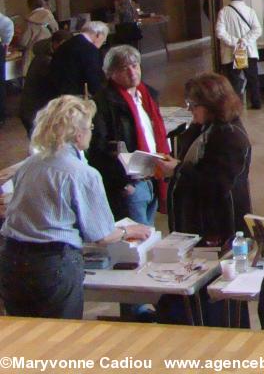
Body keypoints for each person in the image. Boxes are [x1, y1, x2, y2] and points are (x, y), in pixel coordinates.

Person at [0, 96, 154, 318]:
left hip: (12, 259)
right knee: (62, 339)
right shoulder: (83, 173)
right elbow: (100, 234)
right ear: (78, 134)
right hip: (52, 264)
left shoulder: (28, 165)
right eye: (90, 127)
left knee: (26, 336)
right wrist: (128, 231)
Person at [88, 45, 173, 223]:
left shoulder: (147, 94)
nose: (132, 72)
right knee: (137, 240)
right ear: (111, 73)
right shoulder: (103, 103)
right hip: (130, 183)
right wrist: (123, 184)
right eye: (123, 68)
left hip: (153, 177)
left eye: (135, 66)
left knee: (149, 234)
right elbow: (98, 149)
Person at [168, 73, 252, 246]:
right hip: (202, 221)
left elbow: (216, 185)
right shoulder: (207, 126)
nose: (189, 110)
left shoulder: (230, 135)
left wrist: (176, 170)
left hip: (219, 228)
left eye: (193, 105)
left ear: (212, 105)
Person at [215, 0, 263, 110]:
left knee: (233, 80)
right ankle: (256, 102)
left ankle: (234, 105)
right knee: (253, 78)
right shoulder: (250, 11)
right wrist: (244, 41)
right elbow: (257, 30)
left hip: (230, 52)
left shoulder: (224, 12)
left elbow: (219, 32)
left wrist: (234, 42)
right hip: (249, 51)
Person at [19, 30, 71, 135]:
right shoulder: (46, 61)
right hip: (35, 112)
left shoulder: (45, 55)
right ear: (55, 43)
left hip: (35, 110)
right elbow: (54, 85)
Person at [47, 21, 109, 99]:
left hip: (56, 94)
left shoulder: (66, 44)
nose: (101, 45)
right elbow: (93, 78)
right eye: (103, 41)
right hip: (76, 96)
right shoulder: (90, 49)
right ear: (98, 35)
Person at [17, 0, 57, 76]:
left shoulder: (29, 21)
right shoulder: (50, 17)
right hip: (49, 53)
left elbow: (23, 42)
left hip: (33, 56)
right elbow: (56, 33)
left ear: (29, 6)